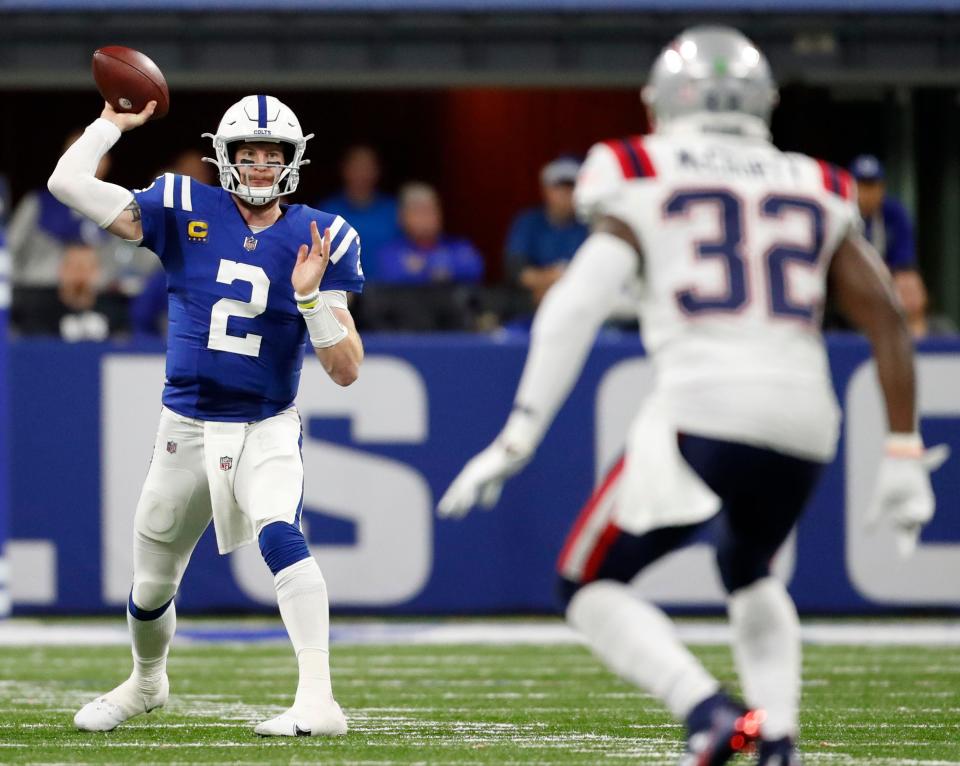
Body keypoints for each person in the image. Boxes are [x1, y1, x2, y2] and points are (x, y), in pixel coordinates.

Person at [438, 26, 946, 766]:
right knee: (751, 568)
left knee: (586, 583)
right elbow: (888, 318)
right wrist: (901, 449)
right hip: (806, 421)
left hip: (704, 408)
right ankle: (777, 739)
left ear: (663, 101)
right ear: (762, 102)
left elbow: (576, 304)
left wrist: (518, 434)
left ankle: (707, 712)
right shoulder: (817, 181)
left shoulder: (636, 165)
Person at [47, 94, 365, 737]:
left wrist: (309, 299)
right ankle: (146, 680)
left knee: (281, 532)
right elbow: (66, 182)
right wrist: (113, 122)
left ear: (292, 160)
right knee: (151, 579)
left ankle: (319, 699)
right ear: (225, 157)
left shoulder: (321, 235)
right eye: (246, 154)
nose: (256, 166)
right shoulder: (183, 205)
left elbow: (347, 367)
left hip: (265, 422)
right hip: (185, 425)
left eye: (269, 155)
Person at [504, 155, 589, 307]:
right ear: (546, 189)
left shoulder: (590, 225)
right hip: (532, 301)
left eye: (571, 186)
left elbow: (596, 273)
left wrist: (563, 283)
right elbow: (516, 270)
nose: (566, 193)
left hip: (579, 300)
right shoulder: (528, 222)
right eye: (559, 186)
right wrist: (548, 279)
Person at [375, 182, 484, 284]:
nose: (426, 218)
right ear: (402, 217)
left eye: (431, 210)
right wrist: (442, 269)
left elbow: (473, 269)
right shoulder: (390, 252)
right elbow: (394, 276)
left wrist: (422, 268)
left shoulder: (460, 247)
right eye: (418, 212)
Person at [319, 144, 399, 280]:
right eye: (356, 167)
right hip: (342, 293)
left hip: (388, 292)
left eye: (367, 167)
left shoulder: (394, 210)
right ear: (344, 170)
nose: (362, 173)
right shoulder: (327, 211)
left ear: (377, 171)